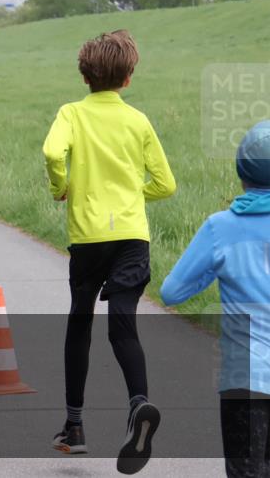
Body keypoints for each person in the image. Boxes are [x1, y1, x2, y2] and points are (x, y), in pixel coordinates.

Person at [42, 29, 176, 474]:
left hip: (89, 237)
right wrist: (132, 194)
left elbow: (51, 151)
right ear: (128, 77)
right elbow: (165, 184)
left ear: (85, 76)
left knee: (80, 322)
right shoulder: (138, 121)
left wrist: (63, 185)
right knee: (124, 326)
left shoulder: (71, 113)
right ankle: (138, 403)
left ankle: (74, 428)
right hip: (132, 236)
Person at [160, 121, 270, 478]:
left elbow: (172, 291)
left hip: (245, 378)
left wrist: (215, 269)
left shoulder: (220, 228)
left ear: (242, 172)